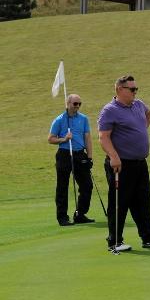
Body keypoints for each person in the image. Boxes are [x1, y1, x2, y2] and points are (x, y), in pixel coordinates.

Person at [97, 75, 150, 252]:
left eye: (135, 89)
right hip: (121, 165)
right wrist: (114, 156)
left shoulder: (138, 105)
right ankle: (115, 241)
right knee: (119, 202)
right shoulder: (110, 110)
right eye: (131, 89)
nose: (135, 92)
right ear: (119, 90)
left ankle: (148, 237)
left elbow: (149, 113)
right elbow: (103, 137)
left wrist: (139, 130)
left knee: (142, 200)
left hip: (140, 163)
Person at [48, 93, 94, 226]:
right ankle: (62, 217)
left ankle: (80, 214)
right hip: (64, 154)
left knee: (87, 185)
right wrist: (64, 139)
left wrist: (89, 156)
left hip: (80, 154)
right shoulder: (59, 120)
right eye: (75, 104)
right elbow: (50, 138)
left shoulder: (83, 119)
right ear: (67, 104)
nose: (77, 106)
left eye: (79, 104)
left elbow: (88, 138)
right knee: (62, 186)